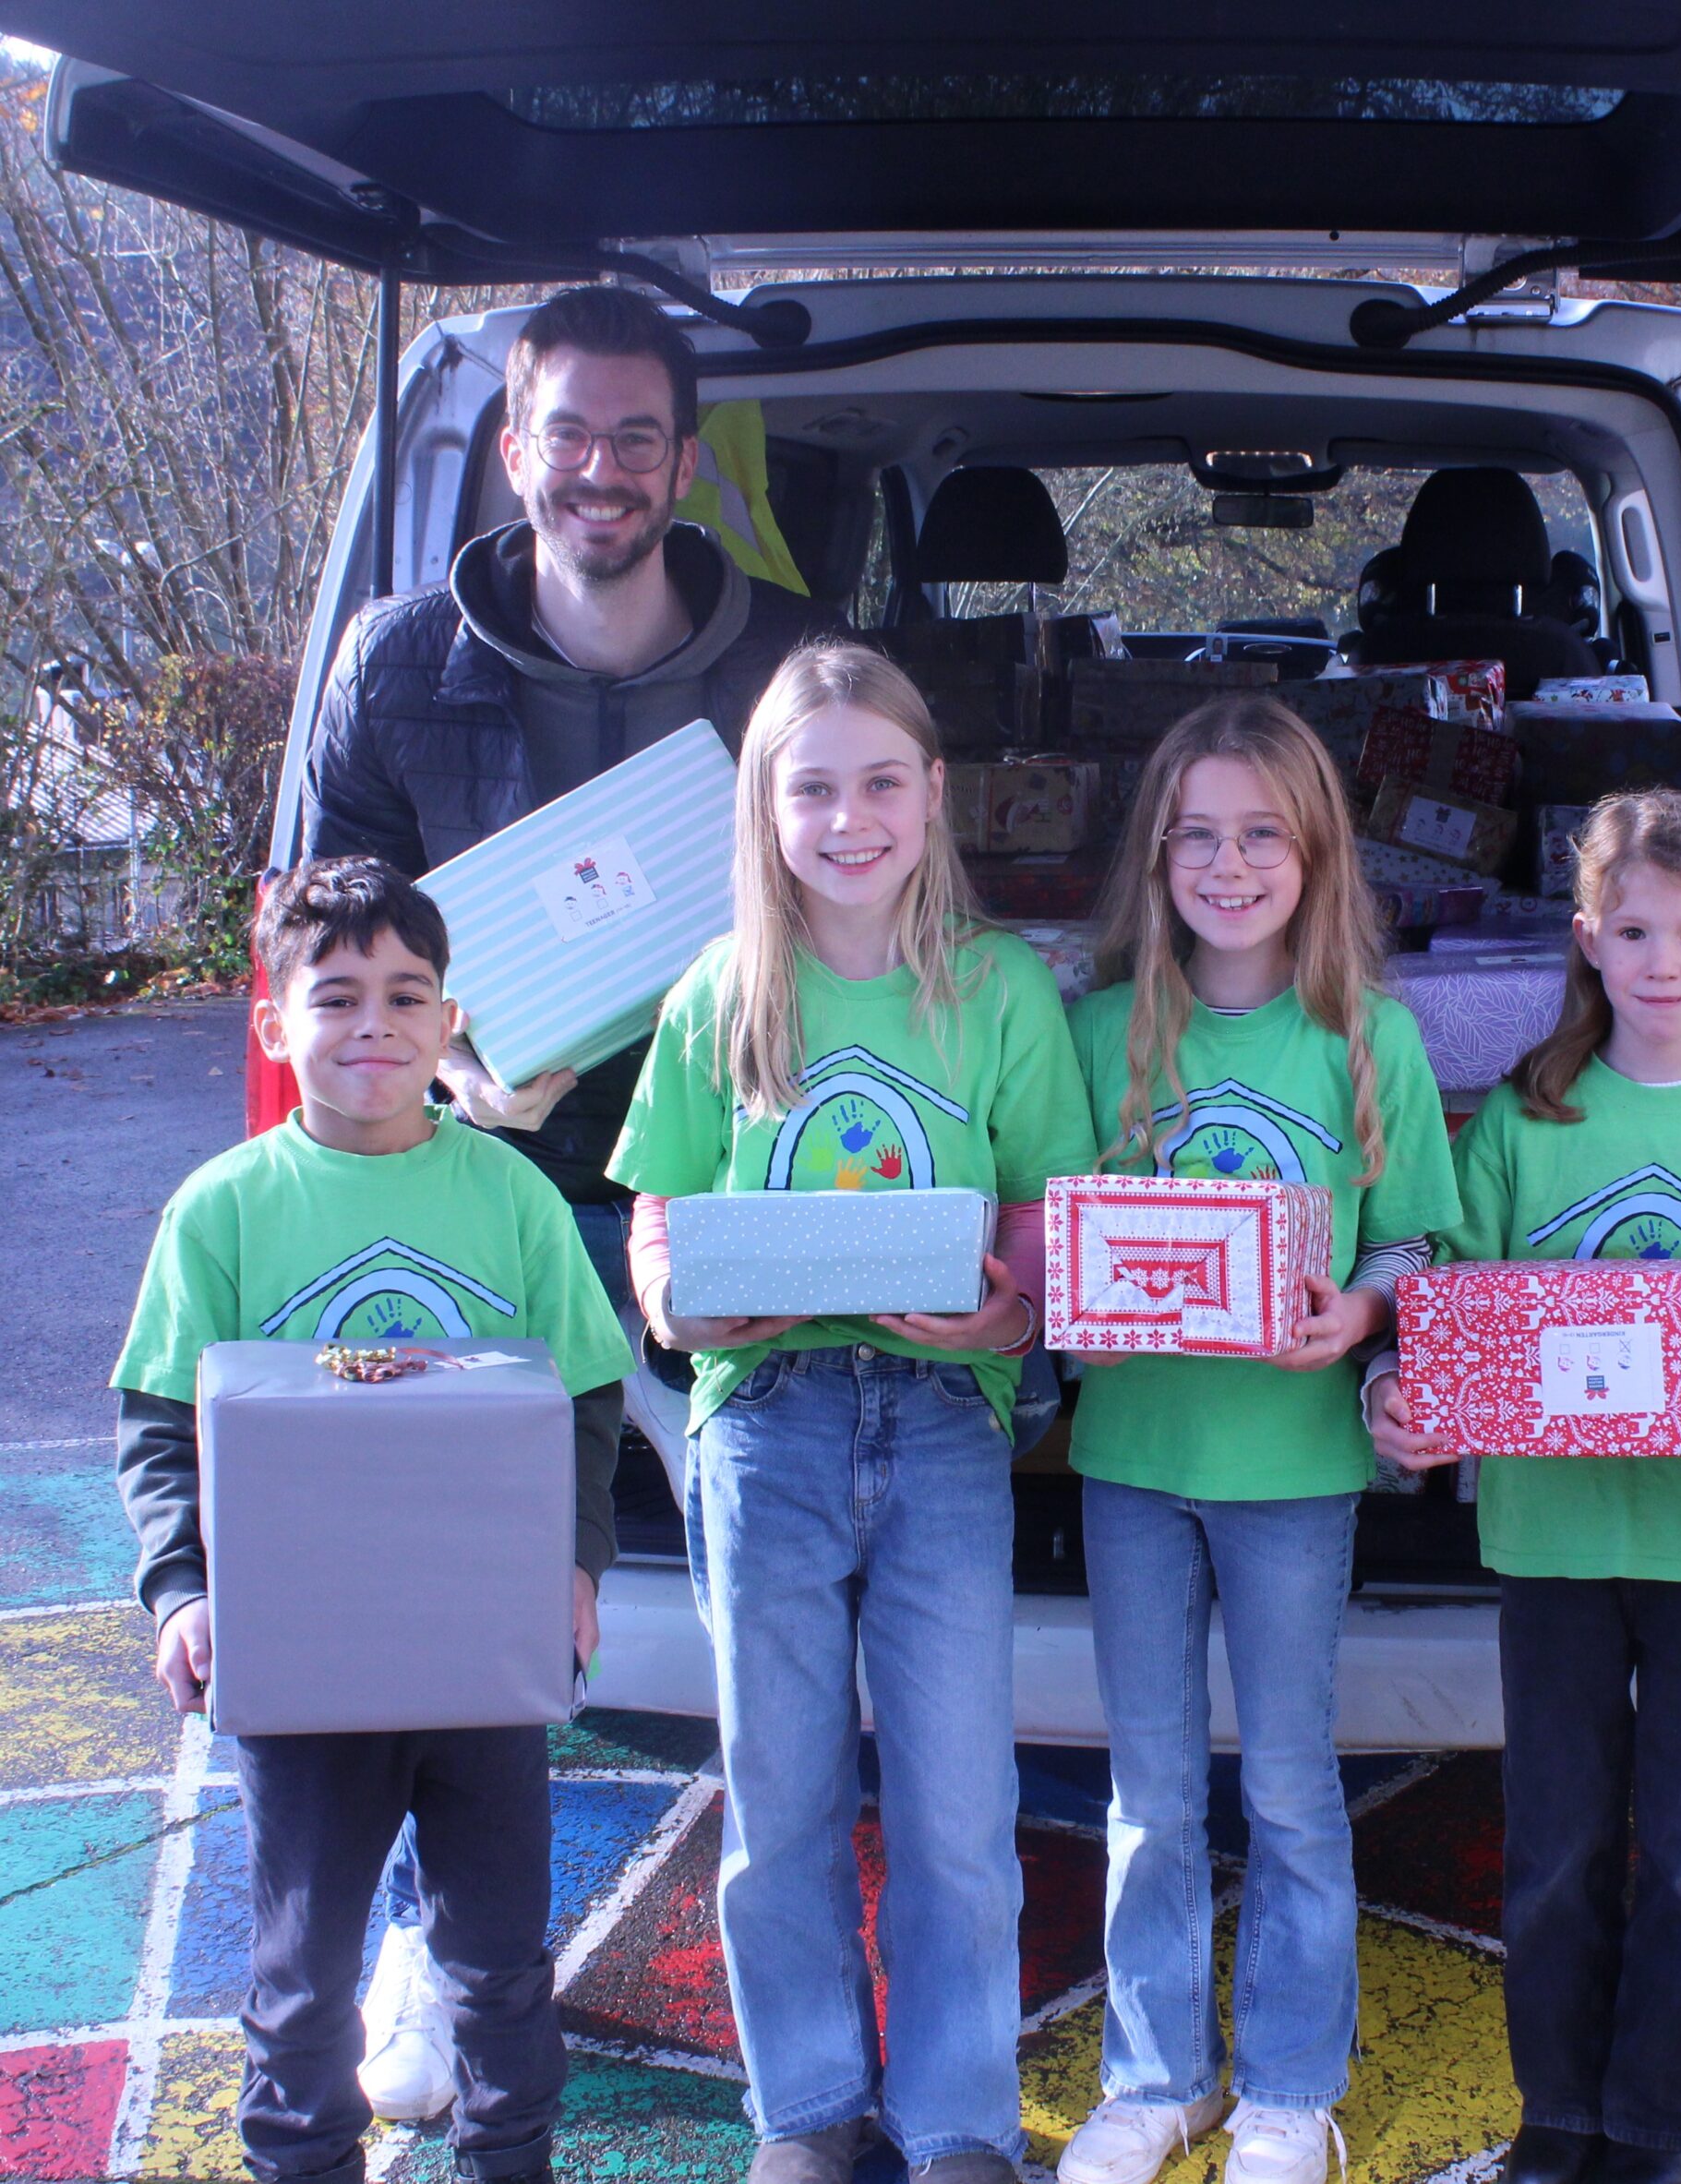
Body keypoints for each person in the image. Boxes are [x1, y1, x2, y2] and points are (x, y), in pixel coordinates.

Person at [296, 281, 841, 2115]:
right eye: (565, 433)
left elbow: (853, 906)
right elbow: (330, 941)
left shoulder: (784, 658)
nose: (598, 469)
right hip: (477, 1192)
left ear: (685, 461)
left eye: (634, 437)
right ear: (505, 449)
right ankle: (428, 1969)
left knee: (764, 1588)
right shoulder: (392, 668)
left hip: (721, 1189)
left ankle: (804, 1987)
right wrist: (448, 1054)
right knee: (426, 1600)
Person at [606, 642, 1096, 2184]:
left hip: (948, 1418)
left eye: (882, 780)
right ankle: (809, 2111)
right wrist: (677, 1302)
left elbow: (1039, 1226)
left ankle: (955, 2118)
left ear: (934, 792)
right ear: (765, 806)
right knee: (783, 1786)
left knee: (960, 1796)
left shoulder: (1003, 988)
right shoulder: (718, 993)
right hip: (767, 1424)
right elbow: (656, 1224)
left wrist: (1006, 1311)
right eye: (810, 786)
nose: (849, 816)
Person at [1368, 790, 1681, 2184]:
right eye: (1634, 928)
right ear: (1587, 938)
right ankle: (1562, 2110)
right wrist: (1402, 1399)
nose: (1662, 957)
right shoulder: (1530, 1120)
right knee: (1558, 1846)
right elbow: (1447, 1298)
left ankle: (1655, 2119)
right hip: (1556, 1536)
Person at [112, 857, 633, 2184]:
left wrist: (576, 1566)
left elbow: (583, 1393)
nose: (373, 1025)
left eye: (407, 995)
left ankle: (509, 2159)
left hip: (481, 1651)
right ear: (274, 1023)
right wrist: (182, 1587)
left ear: (450, 1021)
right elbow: (162, 1420)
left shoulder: (510, 1196)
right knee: (301, 1973)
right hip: (304, 1661)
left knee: (500, 1960)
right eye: (334, 995)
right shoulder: (222, 1209)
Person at [1057, 697, 1461, 2184]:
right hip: (1134, 1461)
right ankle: (1157, 2078)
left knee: (1291, 1784)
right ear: (1159, 853)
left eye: (1262, 836)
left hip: (1293, 1470)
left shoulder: (1371, 1040)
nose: (1229, 864)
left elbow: (1419, 1245)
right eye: (1199, 835)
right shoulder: (1100, 1032)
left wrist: (1360, 1314)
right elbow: (1052, 1238)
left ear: (1316, 855)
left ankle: (1293, 2085)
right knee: (1149, 1791)